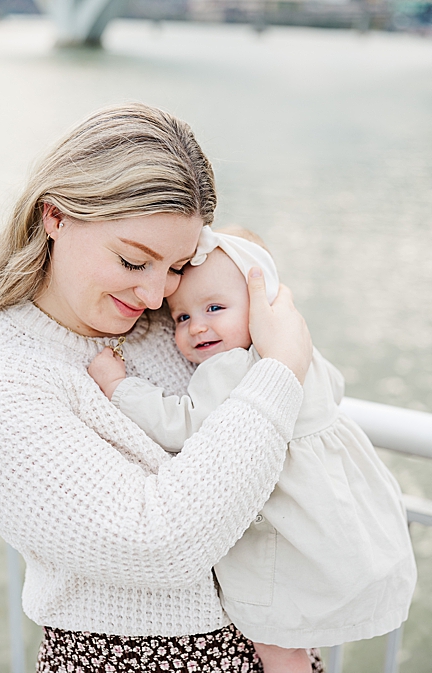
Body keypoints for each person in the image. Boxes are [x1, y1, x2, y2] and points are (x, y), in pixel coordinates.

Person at [0, 103, 320, 672]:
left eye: (177, 265)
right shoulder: (0, 374)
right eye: (134, 260)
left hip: (276, 641)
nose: (156, 294)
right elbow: (157, 542)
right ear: (55, 217)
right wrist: (279, 373)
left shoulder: (180, 318)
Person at [88, 225, 416, 673]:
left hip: (287, 523)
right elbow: (334, 389)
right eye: (181, 318)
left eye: (215, 308)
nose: (197, 325)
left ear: (263, 307)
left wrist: (119, 386)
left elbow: (182, 424)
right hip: (336, 508)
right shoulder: (300, 348)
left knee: (274, 638)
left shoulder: (230, 366)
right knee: (299, 634)